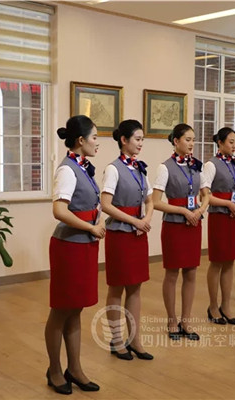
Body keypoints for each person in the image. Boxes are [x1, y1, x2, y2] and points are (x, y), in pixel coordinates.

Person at [46, 115, 101, 395]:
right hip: (69, 247)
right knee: (61, 310)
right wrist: (91, 226)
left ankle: (75, 369)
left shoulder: (83, 167)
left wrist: (96, 223)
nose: (98, 143)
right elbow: (59, 210)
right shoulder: (67, 170)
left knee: (76, 308)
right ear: (81, 140)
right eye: (94, 137)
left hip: (85, 244)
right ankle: (55, 370)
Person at [101, 119, 154, 361]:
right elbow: (105, 205)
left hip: (138, 233)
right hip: (120, 234)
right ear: (124, 140)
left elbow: (150, 200)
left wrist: (146, 220)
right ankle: (116, 340)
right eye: (137, 139)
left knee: (135, 287)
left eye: (142, 139)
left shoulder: (140, 168)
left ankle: (135, 340)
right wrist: (135, 221)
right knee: (117, 287)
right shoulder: (113, 169)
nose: (141, 143)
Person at [152, 123, 210, 340]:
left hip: (194, 223)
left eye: (193, 139)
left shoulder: (197, 166)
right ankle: (172, 320)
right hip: (175, 225)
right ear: (176, 141)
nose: (191, 143)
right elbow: (156, 202)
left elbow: (206, 194)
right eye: (187, 139)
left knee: (191, 272)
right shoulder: (165, 167)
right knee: (172, 273)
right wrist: (184, 211)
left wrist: (200, 210)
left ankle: (186, 320)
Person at [203, 127, 235, 325]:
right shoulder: (211, 165)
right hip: (219, 216)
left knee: (230, 262)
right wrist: (228, 204)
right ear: (220, 143)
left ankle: (226, 306)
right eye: (231, 142)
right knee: (217, 262)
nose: (234, 146)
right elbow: (206, 196)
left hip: (234, 216)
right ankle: (213, 306)